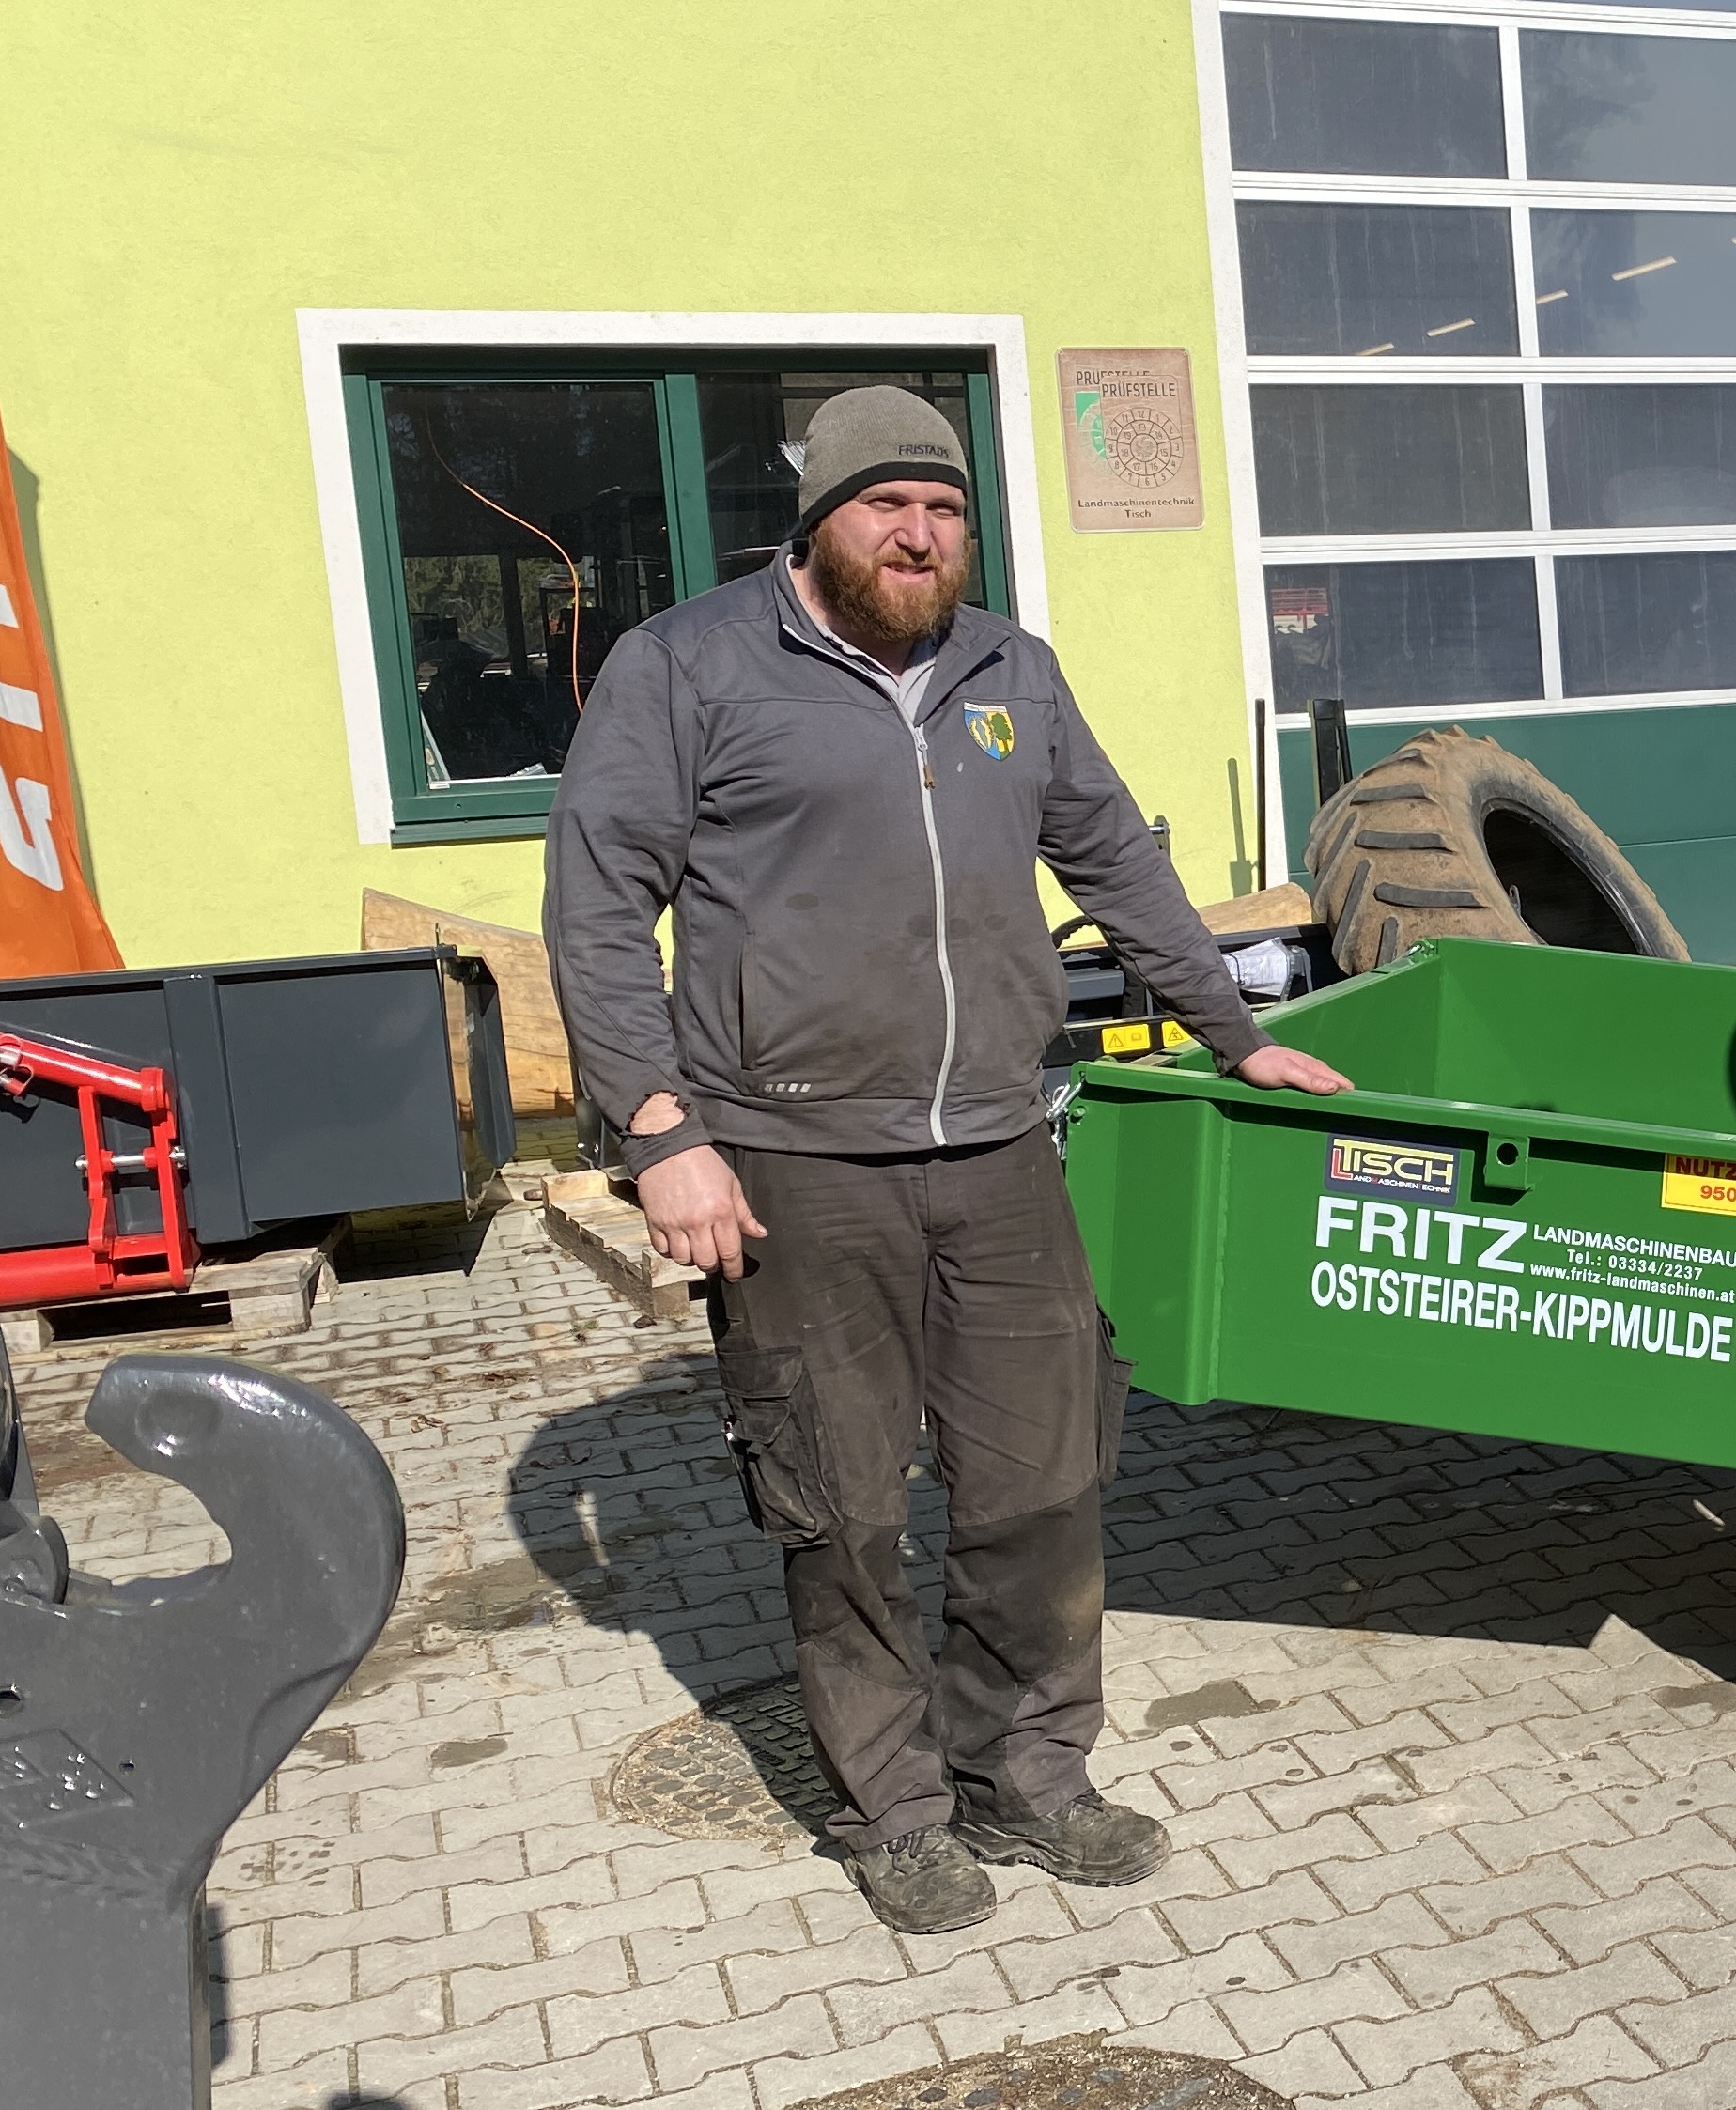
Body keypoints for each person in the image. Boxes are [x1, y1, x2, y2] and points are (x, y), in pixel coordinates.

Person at [544, 386, 1351, 1934]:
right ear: (819, 523)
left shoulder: (1009, 671)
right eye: (886, 506)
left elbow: (1115, 859)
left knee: (1046, 1481)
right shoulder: (689, 666)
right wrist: (659, 1132)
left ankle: (1027, 1777)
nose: (919, 535)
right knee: (840, 1504)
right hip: (789, 1156)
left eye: (945, 509)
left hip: (997, 1137)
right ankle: (896, 1810)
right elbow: (596, 906)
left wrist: (1235, 1033)